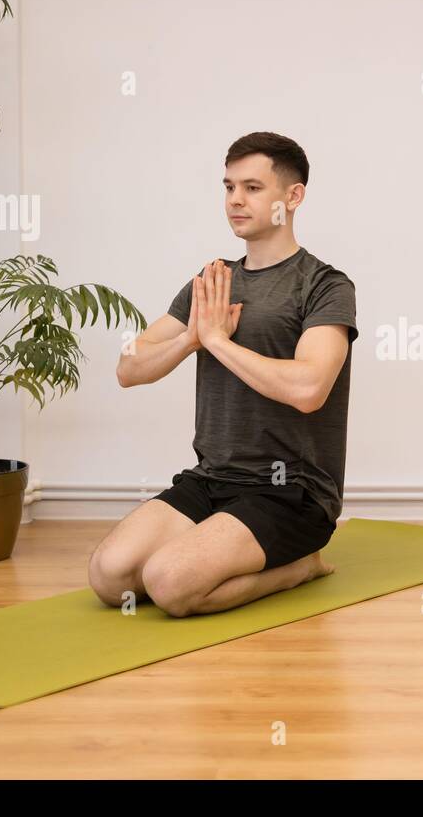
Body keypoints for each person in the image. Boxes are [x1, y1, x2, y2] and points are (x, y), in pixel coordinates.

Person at [89, 132, 358, 617]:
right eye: (229, 186)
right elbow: (129, 367)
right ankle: (216, 544)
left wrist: (216, 342)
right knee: (111, 578)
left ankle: (300, 566)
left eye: (252, 188)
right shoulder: (212, 281)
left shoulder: (325, 286)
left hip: (290, 491)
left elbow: (309, 389)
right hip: (211, 478)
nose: (235, 200)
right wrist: (190, 338)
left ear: (292, 197)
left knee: (169, 585)